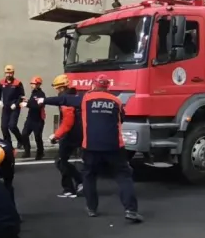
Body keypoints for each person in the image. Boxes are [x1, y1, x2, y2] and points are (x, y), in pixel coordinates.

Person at [38, 75, 144, 222]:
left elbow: (64, 100)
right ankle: (130, 210)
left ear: (93, 86)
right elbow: (122, 118)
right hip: (114, 146)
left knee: (89, 176)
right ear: (107, 87)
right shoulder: (117, 101)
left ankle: (92, 208)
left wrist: (43, 100)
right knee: (123, 177)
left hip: (91, 146)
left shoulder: (85, 98)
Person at [45, 75, 84, 199]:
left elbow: (68, 121)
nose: (56, 90)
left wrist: (56, 135)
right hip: (79, 133)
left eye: (57, 88)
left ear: (62, 88)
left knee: (61, 161)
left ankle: (71, 188)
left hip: (70, 134)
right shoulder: (75, 95)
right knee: (63, 160)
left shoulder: (65, 99)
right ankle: (79, 182)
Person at [0, 65, 25, 148]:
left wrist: (16, 104)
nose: (9, 75)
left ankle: (20, 140)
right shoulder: (1, 82)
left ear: (13, 73)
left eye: (10, 73)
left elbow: (22, 96)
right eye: (7, 73)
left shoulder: (18, 83)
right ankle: (8, 144)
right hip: (5, 108)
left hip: (14, 108)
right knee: (4, 127)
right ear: (5, 73)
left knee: (12, 126)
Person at [20, 76, 46, 159]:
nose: (31, 85)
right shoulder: (33, 93)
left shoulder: (41, 94)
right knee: (24, 134)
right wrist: (27, 101)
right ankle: (27, 151)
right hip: (30, 118)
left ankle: (40, 152)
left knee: (37, 137)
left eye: (33, 83)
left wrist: (27, 104)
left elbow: (38, 106)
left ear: (38, 84)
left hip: (38, 119)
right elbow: (33, 102)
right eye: (31, 83)